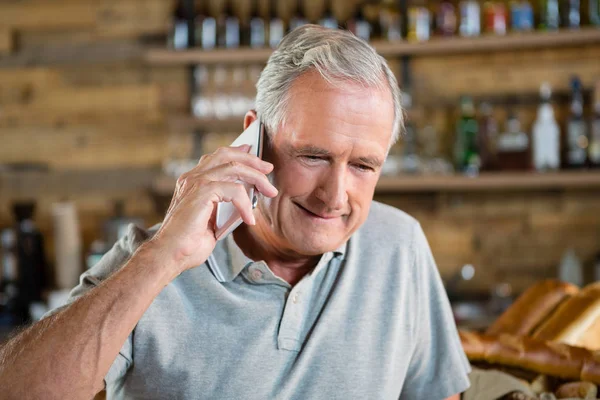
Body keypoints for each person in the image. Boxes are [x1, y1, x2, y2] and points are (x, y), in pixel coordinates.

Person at [0, 25, 470, 399]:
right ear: (253, 138)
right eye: (313, 156)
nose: (335, 196)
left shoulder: (399, 243)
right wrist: (163, 258)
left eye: (364, 165)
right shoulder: (154, 258)